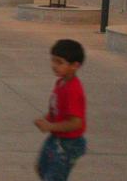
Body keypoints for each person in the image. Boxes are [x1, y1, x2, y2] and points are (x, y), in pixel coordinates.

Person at [34, 39, 87, 181]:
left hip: (69, 143)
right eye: (53, 61)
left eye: (59, 62)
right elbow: (57, 110)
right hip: (57, 138)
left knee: (54, 176)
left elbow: (76, 123)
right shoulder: (61, 82)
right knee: (42, 167)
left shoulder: (73, 90)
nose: (54, 66)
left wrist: (50, 126)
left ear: (75, 66)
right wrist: (46, 119)